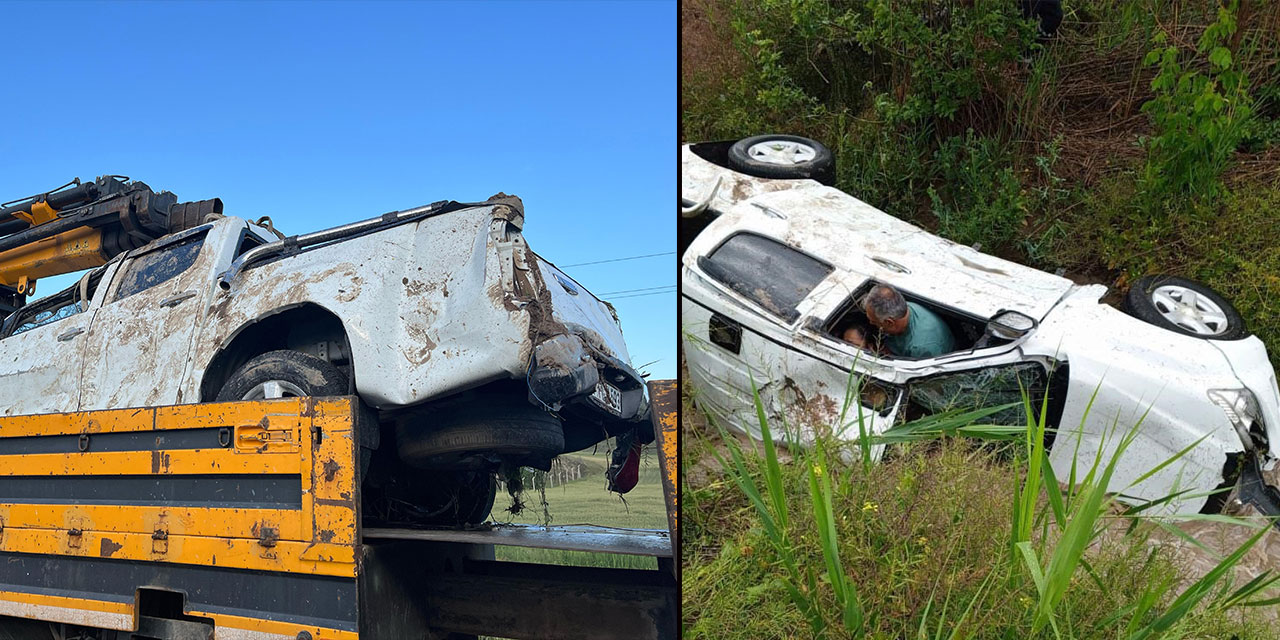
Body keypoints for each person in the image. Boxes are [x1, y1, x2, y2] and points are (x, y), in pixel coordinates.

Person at [863, 285, 956, 359]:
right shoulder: (898, 308)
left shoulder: (921, 348)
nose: (871, 323)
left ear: (889, 322)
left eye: (874, 322)